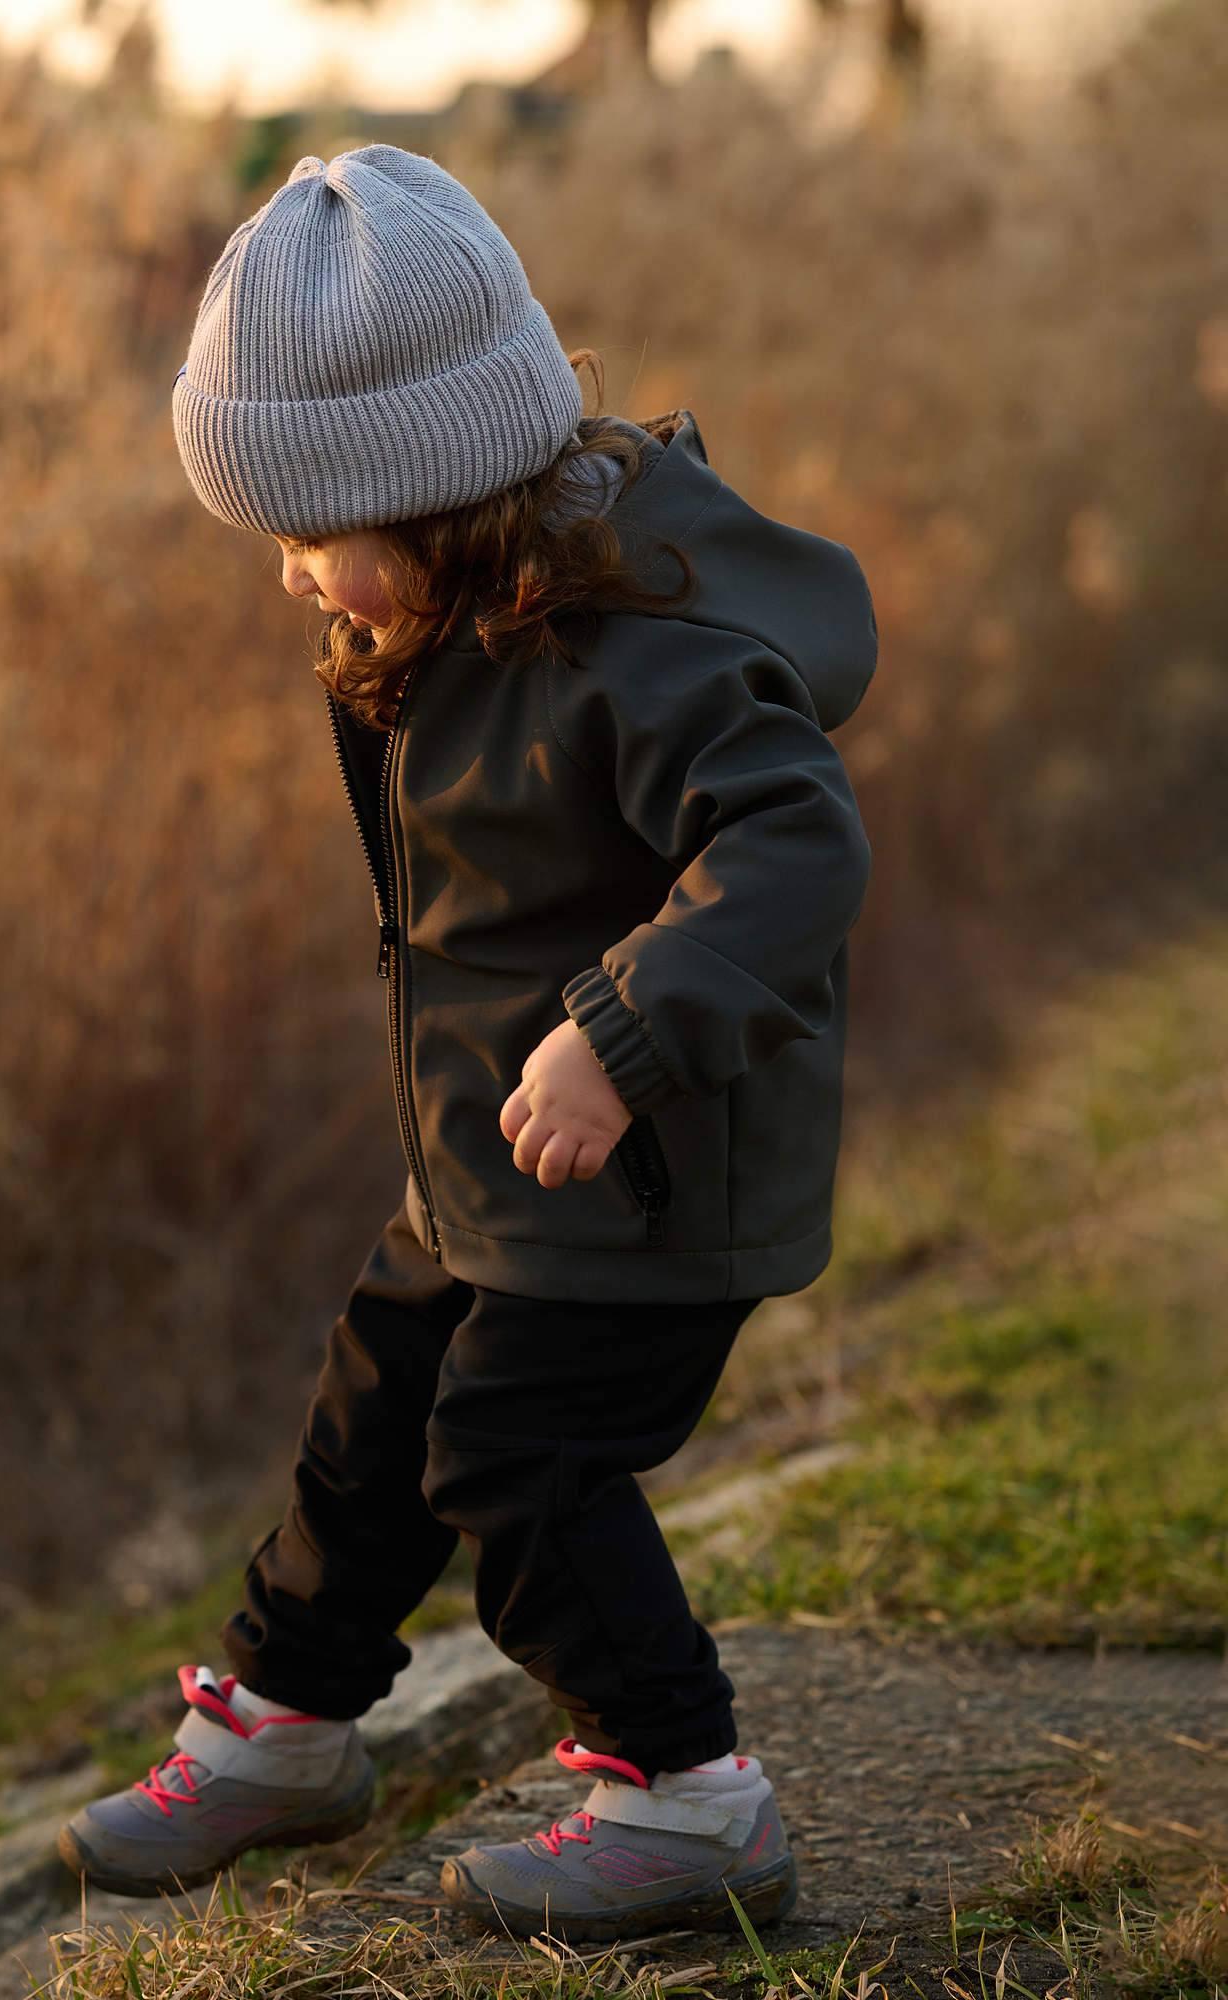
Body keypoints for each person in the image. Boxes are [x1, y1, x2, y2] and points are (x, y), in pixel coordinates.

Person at [56, 144, 876, 1944]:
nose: (290, 579)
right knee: (380, 1395)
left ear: (432, 489)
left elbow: (798, 846)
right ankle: (288, 1718)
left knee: (515, 1455)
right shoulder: (463, 618)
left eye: (304, 534)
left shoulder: (641, 650)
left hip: (646, 1159)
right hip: (494, 1153)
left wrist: (622, 1033)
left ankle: (689, 1794)